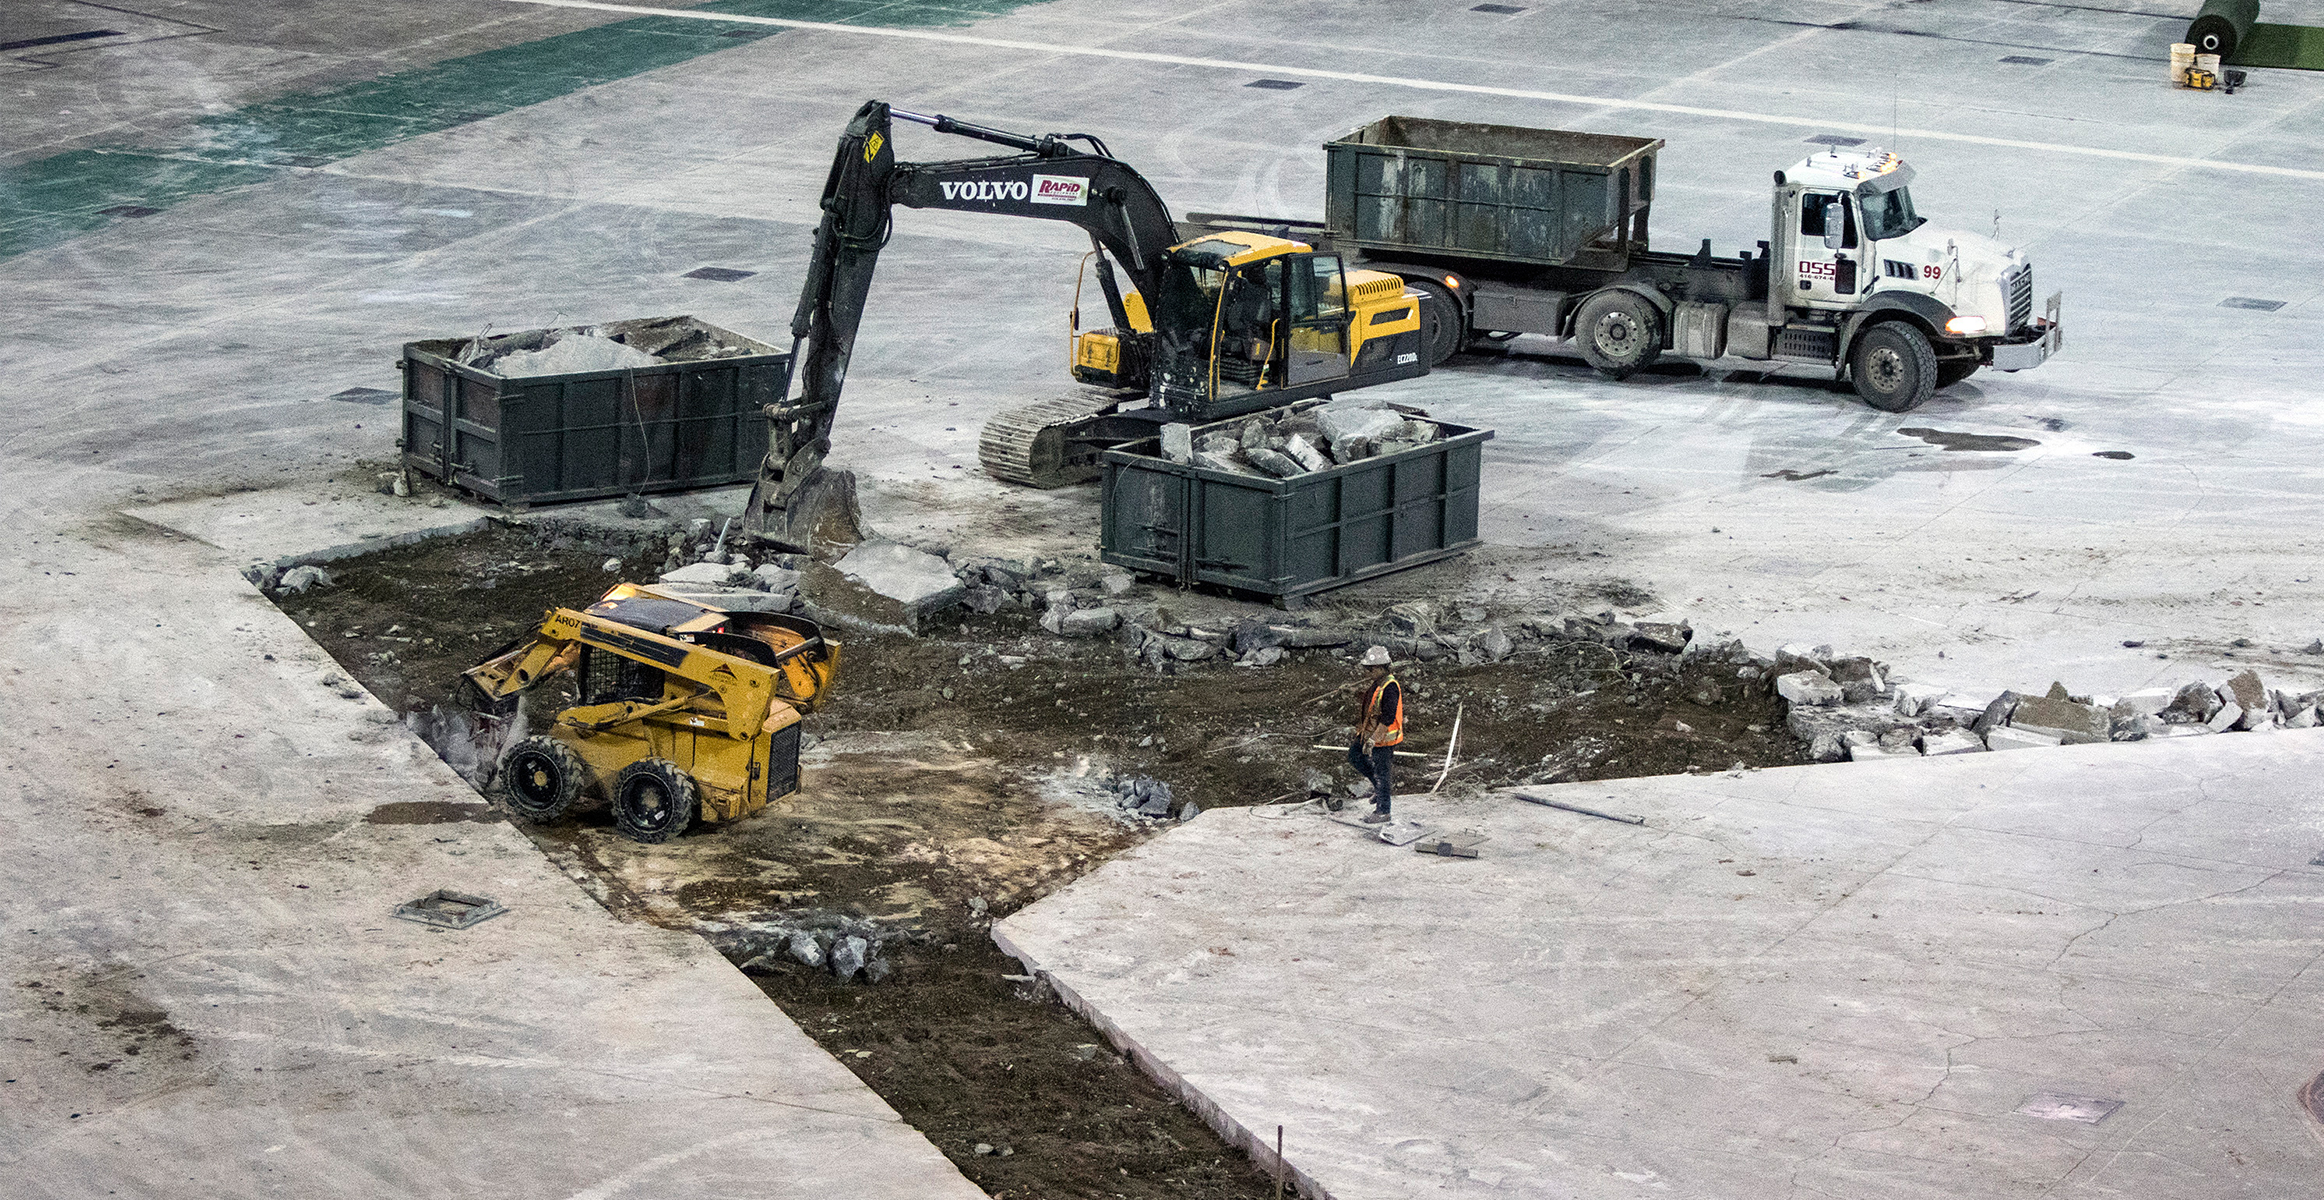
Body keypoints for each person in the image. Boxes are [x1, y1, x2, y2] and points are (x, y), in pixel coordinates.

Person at [1347, 645, 1404, 824]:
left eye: (1370, 669)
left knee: (1382, 774)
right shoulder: (1378, 684)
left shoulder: (1390, 687)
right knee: (1355, 756)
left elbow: (1387, 718)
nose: (1367, 672)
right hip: (1369, 733)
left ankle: (1383, 811)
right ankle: (1379, 790)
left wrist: (1373, 740)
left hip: (1384, 738)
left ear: (1380, 667)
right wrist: (1352, 691)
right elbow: (1371, 702)